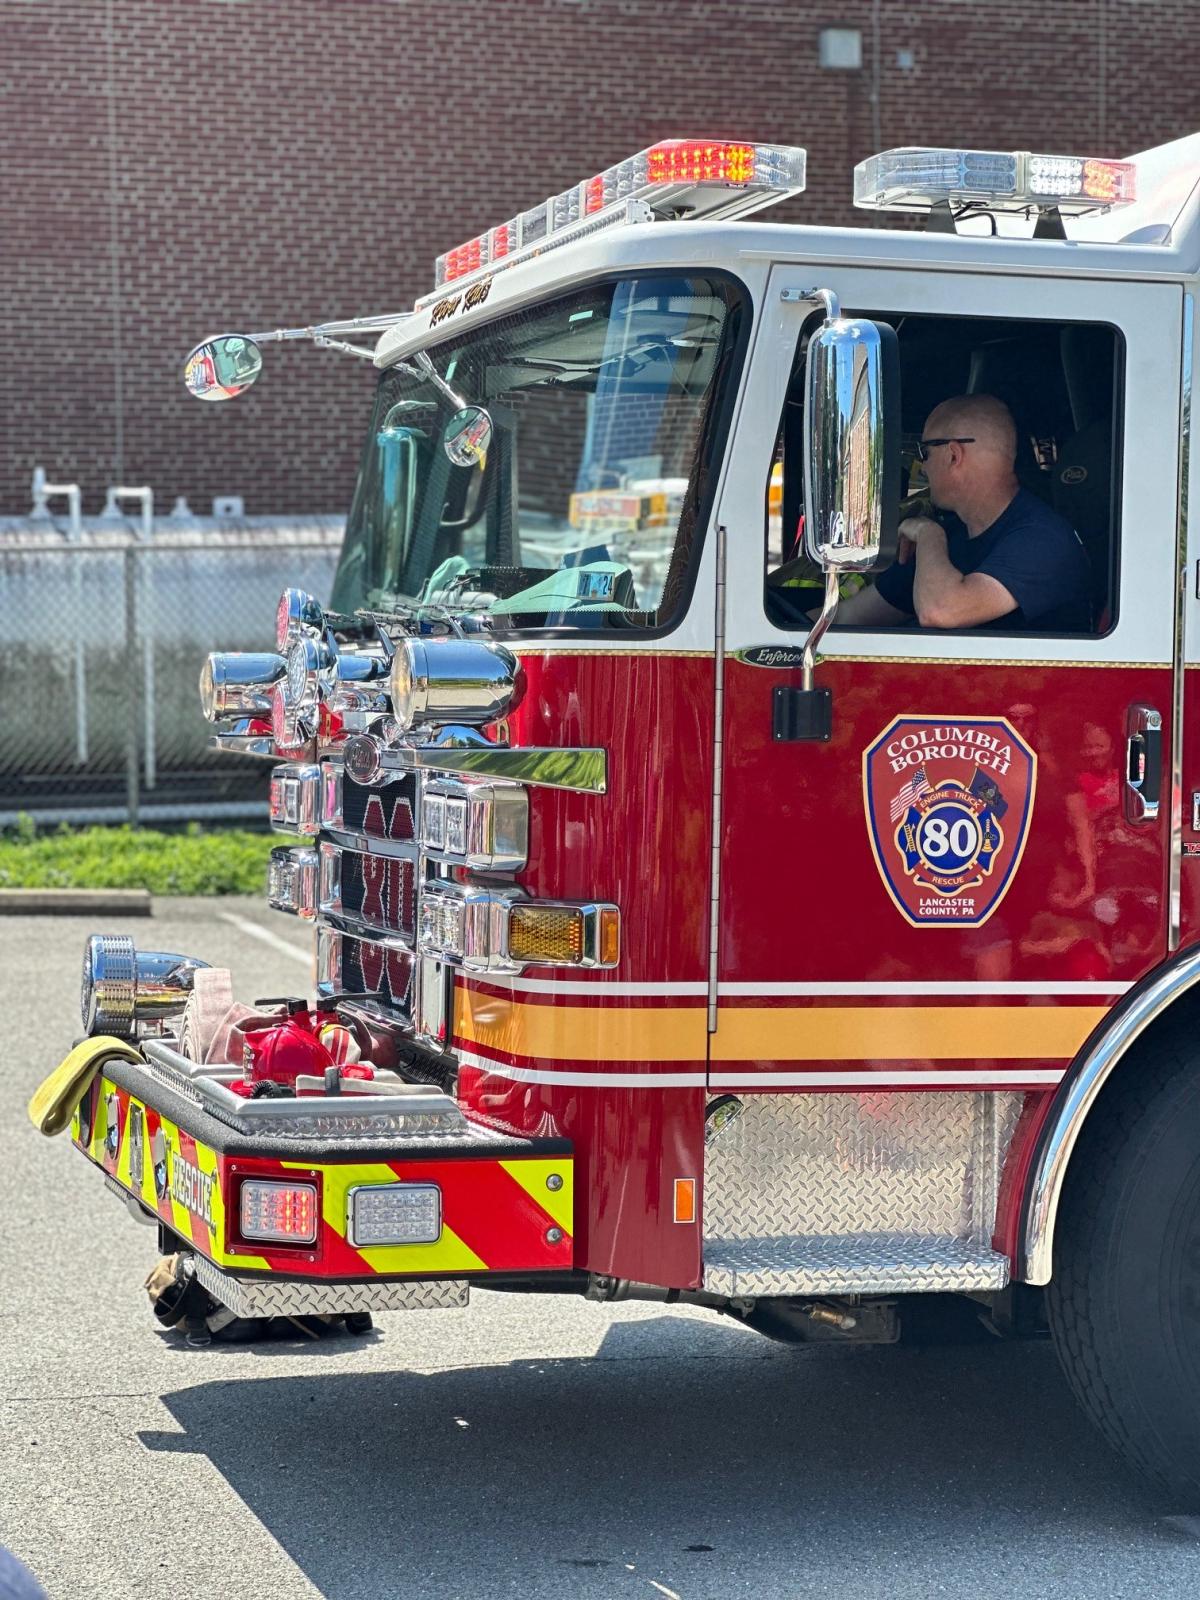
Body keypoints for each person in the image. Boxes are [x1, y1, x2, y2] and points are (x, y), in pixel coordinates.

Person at [832, 394, 1091, 631]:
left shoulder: (1043, 540)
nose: (922, 467)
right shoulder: (953, 537)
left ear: (954, 455)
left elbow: (941, 612)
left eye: (925, 452)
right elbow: (849, 617)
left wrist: (928, 533)